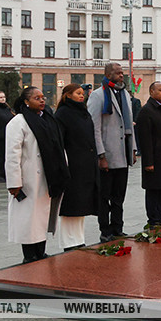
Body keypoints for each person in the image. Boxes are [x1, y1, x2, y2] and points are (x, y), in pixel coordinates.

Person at [6, 87, 69, 263]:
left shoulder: (48, 118)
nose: (42, 100)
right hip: (28, 178)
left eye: (43, 97)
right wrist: (14, 182)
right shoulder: (18, 122)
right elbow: (12, 154)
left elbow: (58, 145)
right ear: (26, 101)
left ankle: (41, 252)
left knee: (42, 216)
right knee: (28, 219)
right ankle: (29, 255)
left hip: (48, 176)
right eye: (36, 98)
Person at [86, 62, 135, 243]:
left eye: (122, 73)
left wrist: (133, 149)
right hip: (107, 154)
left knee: (119, 196)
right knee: (104, 196)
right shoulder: (98, 96)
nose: (122, 75)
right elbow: (95, 128)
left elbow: (130, 124)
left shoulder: (124, 94)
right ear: (107, 74)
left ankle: (117, 227)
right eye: (118, 73)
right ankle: (105, 230)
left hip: (122, 154)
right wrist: (101, 155)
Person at [54, 84, 100, 251]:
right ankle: (69, 242)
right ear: (68, 95)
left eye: (83, 93)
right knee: (71, 204)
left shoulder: (83, 112)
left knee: (82, 203)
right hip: (72, 163)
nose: (82, 96)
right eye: (78, 93)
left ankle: (79, 239)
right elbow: (60, 141)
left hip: (86, 164)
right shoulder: (62, 114)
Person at [136, 82, 161, 227]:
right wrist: (148, 162)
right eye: (160, 90)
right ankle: (153, 219)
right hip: (154, 159)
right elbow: (145, 140)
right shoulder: (146, 111)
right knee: (154, 190)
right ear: (151, 91)